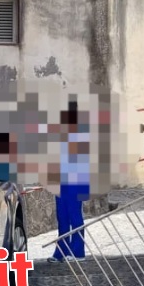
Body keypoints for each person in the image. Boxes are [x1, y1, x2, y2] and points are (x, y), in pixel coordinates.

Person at [50, 98, 91, 263]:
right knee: (62, 215)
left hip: (76, 180)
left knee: (74, 215)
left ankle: (78, 251)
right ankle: (61, 250)